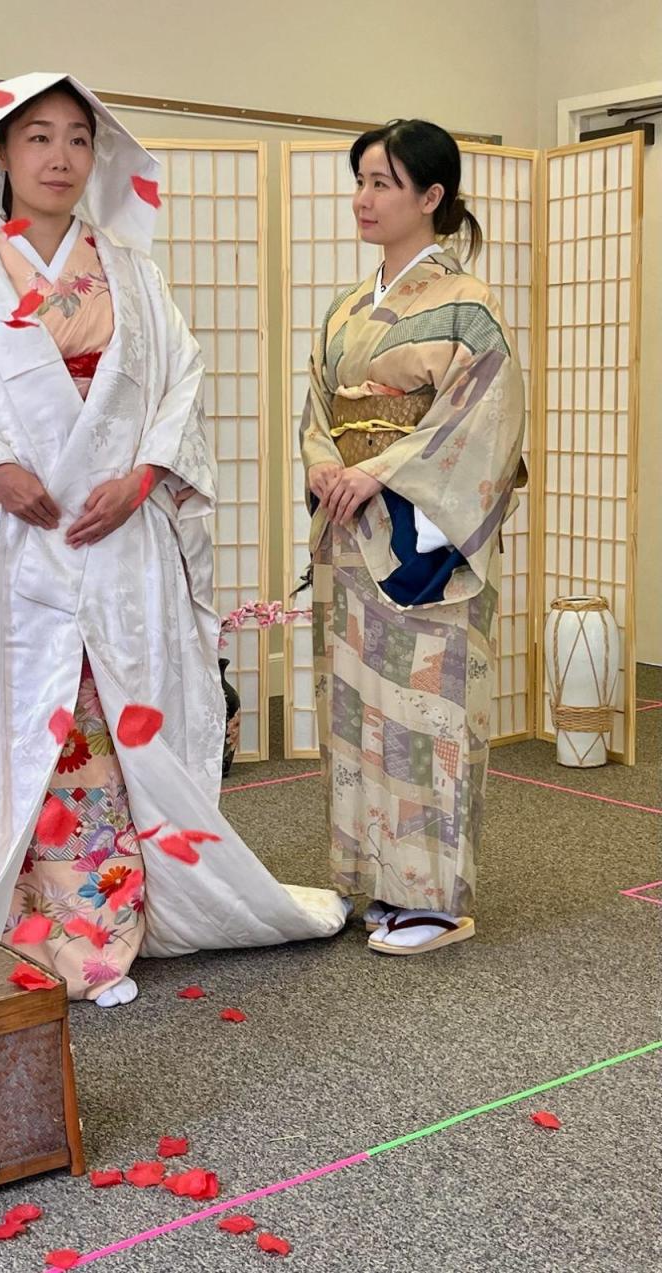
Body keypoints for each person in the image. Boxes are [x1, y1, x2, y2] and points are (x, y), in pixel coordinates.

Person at [0, 73, 346, 1004]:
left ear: (98, 156)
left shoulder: (131, 272)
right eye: (38, 137)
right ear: (0, 153)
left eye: (78, 139)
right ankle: (41, 926)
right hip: (13, 542)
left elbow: (181, 385)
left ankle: (116, 915)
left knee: (117, 724)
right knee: (31, 734)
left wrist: (143, 478)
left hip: (118, 538)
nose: (59, 157)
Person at [302, 119, 525, 956]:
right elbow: (316, 414)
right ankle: (373, 879)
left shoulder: (470, 306)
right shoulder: (347, 309)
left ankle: (434, 898)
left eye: (384, 183)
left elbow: (485, 421)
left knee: (425, 712)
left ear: (432, 197)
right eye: (360, 180)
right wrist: (326, 465)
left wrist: (383, 470)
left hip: (423, 539)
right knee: (359, 709)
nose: (364, 198)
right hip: (353, 529)